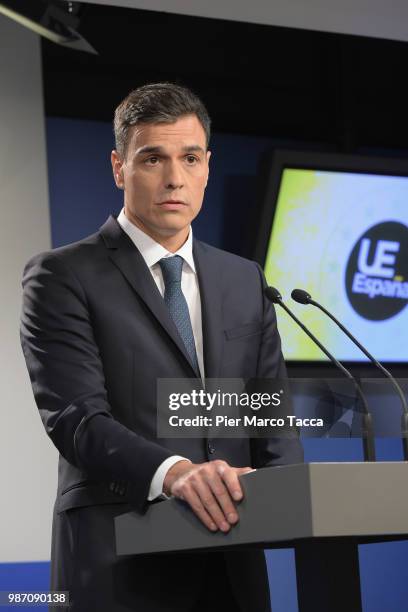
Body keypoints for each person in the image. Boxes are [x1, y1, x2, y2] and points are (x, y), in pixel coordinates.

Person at [20, 82, 303, 612]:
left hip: (231, 563)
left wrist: (294, 498)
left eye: (189, 157)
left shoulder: (245, 279)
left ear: (207, 167)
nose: (175, 178)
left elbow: (270, 416)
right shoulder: (62, 275)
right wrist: (176, 473)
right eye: (153, 158)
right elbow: (77, 418)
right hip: (119, 562)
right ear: (118, 167)